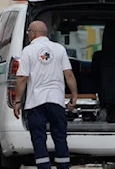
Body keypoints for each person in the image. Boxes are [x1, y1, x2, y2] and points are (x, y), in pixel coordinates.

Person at [13, 20, 78, 169]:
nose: (28, 35)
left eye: (29, 32)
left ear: (34, 33)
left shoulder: (28, 51)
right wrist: (74, 96)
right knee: (60, 137)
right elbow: (68, 73)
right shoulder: (59, 49)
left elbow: (22, 77)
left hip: (36, 103)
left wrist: (17, 101)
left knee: (38, 138)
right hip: (56, 101)